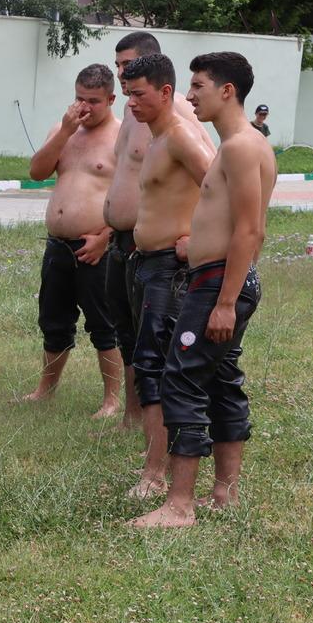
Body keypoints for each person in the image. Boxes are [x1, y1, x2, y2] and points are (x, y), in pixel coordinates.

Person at [130, 53, 275, 528]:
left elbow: (250, 230)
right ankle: (224, 494)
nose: (190, 96)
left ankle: (179, 505)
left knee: (183, 377)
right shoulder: (243, 144)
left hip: (218, 283)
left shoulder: (238, 147)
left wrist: (227, 301)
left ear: (226, 90)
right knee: (220, 378)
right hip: (216, 278)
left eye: (198, 86)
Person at [103, 31, 210, 433]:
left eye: (127, 67)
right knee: (129, 335)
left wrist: (195, 240)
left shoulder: (177, 117)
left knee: (158, 348)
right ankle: (135, 418)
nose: (120, 76)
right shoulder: (135, 114)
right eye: (118, 68)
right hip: (125, 243)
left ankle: (164, 436)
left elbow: (217, 182)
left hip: (162, 252)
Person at [121, 53, 217, 500]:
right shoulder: (156, 138)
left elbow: (226, 189)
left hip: (171, 270)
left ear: (164, 92)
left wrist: (195, 238)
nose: (129, 101)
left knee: (159, 370)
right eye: (126, 91)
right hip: (149, 264)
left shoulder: (180, 136)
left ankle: (156, 474)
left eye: (138, 93)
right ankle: (152, 464)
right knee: (149, 366)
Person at [22, 65, 124, 419]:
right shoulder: (64, 129)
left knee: (104, 325)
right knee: (53, 321)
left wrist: (105, 239)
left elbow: (140, 198)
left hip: (97, 246)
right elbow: (36, 172)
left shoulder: (123, 138)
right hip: (58, 244)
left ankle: (112, 400)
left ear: (111, 99)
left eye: (94, 101)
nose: (85, 107)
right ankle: (45, 390)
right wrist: (65, 131)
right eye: (80, 98)